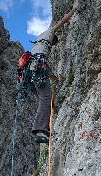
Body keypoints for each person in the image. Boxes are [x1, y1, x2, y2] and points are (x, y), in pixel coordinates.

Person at [30, 8, 75, 143]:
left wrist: (54, 78)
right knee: (46, 98)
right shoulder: (48, 34)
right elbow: (61, 22)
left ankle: (44, 128)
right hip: (37, 70)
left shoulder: (39, 47)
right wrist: (73, 11)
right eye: (54, 42)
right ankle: (40, 131)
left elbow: (44, 66)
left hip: (31, 73)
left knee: (46, 98)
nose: (54, 44)